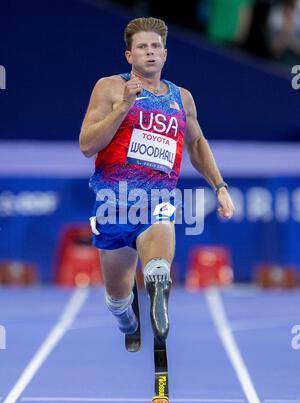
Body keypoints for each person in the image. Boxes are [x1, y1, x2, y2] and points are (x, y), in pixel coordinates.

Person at [79, 17, 235, 341]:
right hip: (114, 203)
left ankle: (158, 287)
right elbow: (87, 145)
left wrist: (219, 187)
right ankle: (127, 321)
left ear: (165, 54)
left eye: (155, 47)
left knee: (159, 265)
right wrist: (123, 107)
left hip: (157, 202)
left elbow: (195, 143)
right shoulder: (109, 87)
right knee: (118, 300)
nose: (149, 53)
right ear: (129, 56)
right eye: (142, 47)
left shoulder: (182, 98)